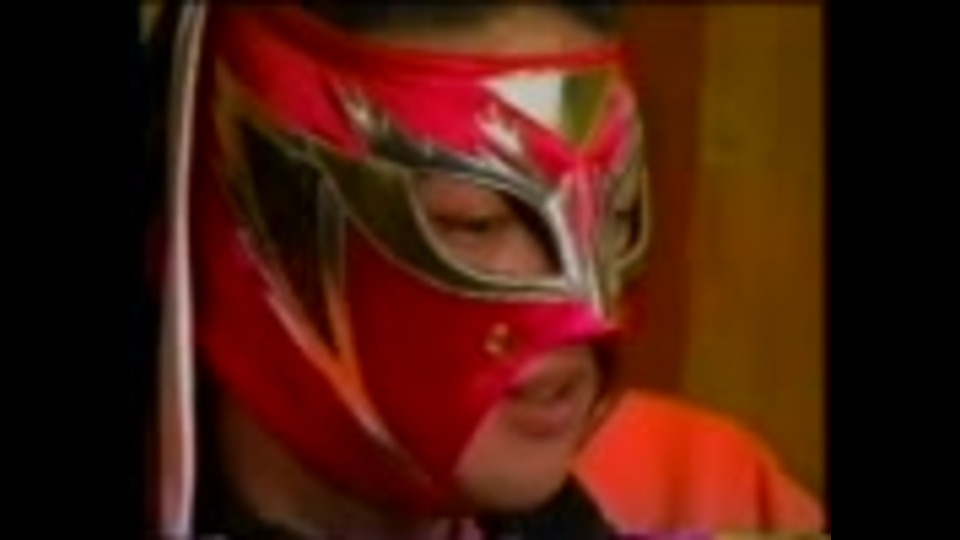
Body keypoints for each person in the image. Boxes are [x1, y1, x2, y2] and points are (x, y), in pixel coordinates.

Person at [141, 1, 825, 538]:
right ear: (258, 211)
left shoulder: (706, 493)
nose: (587, 308)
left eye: (613, 211)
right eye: (476, 222)